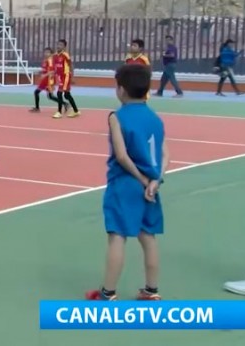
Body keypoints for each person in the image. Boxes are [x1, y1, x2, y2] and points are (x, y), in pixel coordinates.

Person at [86, 64, 167, 301]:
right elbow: (165, 154)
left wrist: (141, 179)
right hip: (150, 186)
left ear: (120, 89)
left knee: (117, 235)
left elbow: (122, 156)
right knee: (148, 236)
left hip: (125, 183)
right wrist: (155, 180)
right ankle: (151, 290)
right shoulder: (156, 119)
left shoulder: (116, 117)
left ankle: (107, 292)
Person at [53, 39, 79, 119]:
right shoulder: (55, 55)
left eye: (61, 45)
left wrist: (73, 77)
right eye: (58, 44)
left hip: (66, 76)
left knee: (59, 93)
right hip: (60, 77)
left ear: (64, 47)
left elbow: (71, 65)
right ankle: (76, 111)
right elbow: (56, 67)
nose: (58, 46)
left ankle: (59, 112)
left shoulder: (65, 55)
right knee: (67, 95)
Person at [30, 47, 58, 113]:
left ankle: (65, 104)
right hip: (45, 80)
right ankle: (37, 108)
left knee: (50, 96)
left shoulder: (50, 60)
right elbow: (46, 70)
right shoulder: (45, 60)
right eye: (45, 52)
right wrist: (41, 72)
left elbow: (52, 71)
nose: (46, 53)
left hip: (49, 80)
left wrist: (44, 75)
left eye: (48, 52)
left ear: (51, 54)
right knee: (36, 92)